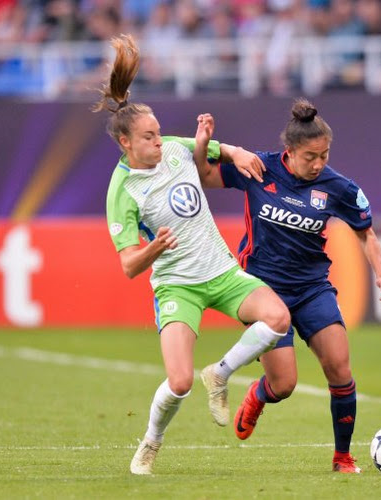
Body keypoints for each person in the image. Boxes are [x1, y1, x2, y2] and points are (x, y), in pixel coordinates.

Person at [97, 34, 291, 475]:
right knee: (179, 382)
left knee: (278, 318)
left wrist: (221, 146)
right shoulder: (122, 191)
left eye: (160, 132)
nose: (160, 142)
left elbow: (212, 156)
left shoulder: (173, 149)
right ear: (126, 143)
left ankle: (220, 374)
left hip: (220, 271)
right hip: (176, 285)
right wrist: (155, 247)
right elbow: (129, 265)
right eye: (149, 137)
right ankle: (151, 442)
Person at [192, 99, 381, 474]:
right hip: (264, 290)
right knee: (284, 385)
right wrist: (204, 142)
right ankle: (258, 394)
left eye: (325, 154)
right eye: (310, 156)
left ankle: (343, 458)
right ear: (290, 152)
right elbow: (204, 176)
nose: (318, 163)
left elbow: (366, 234)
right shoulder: (259, 168)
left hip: (312, 287)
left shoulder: (339, 187)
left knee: (340, 368)